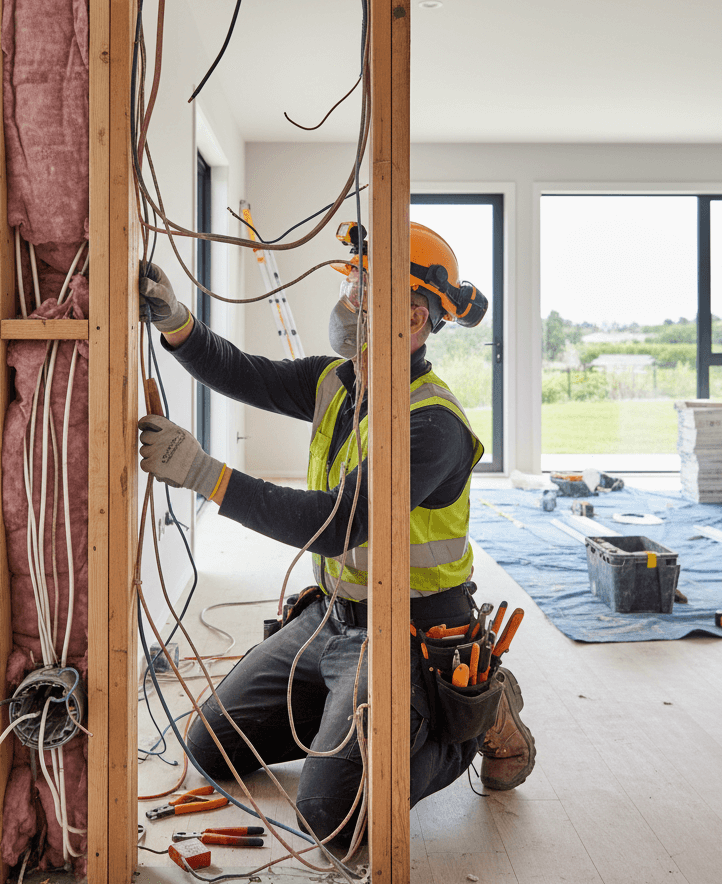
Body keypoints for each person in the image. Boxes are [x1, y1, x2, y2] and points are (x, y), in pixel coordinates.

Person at [137, 222, 534, 844]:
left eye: (367, 290)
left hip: (407, 633)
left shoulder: (433, 425)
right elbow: (244, 373)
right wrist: (176, 320)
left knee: (333, 820)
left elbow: (334, 525)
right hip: (331, 620)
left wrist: (202, 474)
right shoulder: (336, 382)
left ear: (413, 319)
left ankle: (474, 718)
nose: (350, 302)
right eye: (354, 285)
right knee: (210, 746)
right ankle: (345, 723)